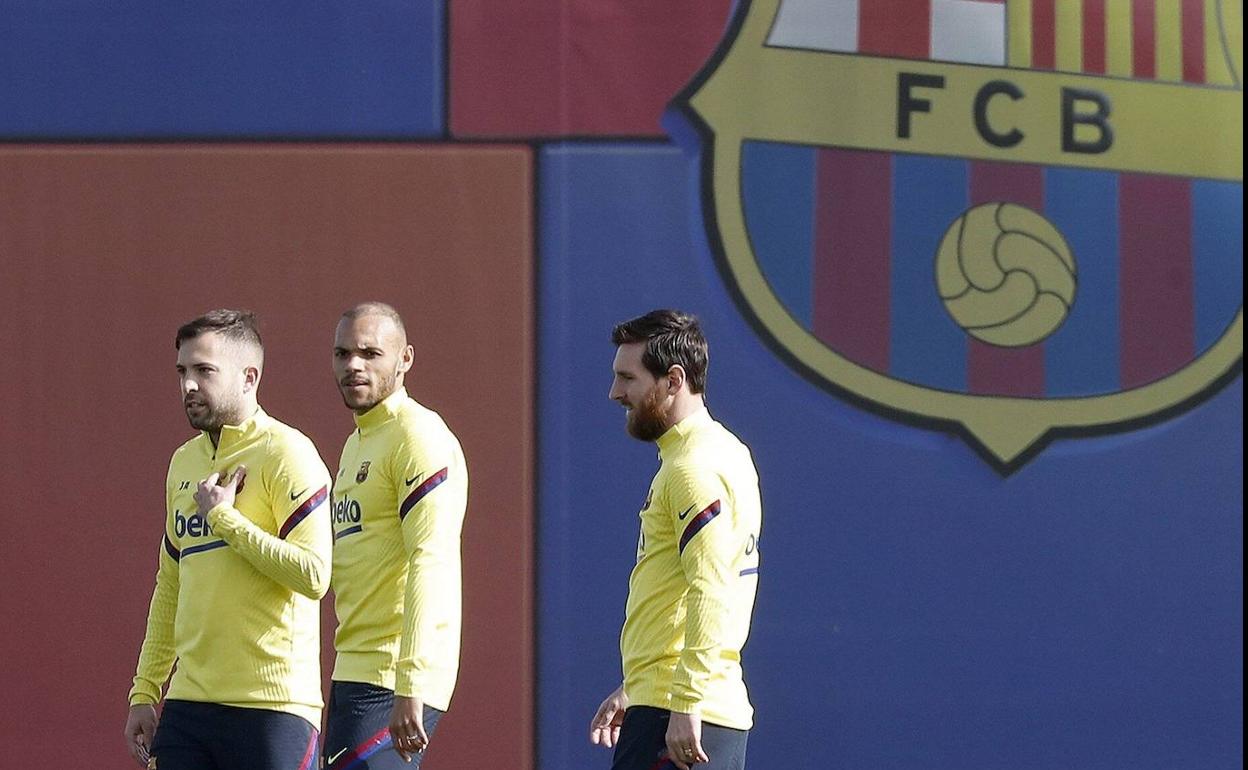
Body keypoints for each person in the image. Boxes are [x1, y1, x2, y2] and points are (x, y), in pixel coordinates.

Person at [123, 309, 333, 769]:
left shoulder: (287, 452)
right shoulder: (183, 462)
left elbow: (315, 575)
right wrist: (145, 689)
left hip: (272, 708)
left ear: (248, 378)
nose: (188, 385)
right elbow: (170, 584)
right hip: (188, 705)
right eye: (182, 371)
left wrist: (225, 520)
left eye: (205, 371)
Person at [589, 310, 762, 770]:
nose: (615, 393)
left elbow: (712, 587)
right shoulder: (721, 451)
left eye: (628, 378)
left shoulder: (692, 468)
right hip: (676, 701)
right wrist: (638, 686)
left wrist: (685, 700)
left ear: (673, 380)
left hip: (681, 713)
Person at [322, 302, 468, 768]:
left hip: (393, 675)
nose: (353, 365)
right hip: (354, 666)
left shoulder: (418, 436)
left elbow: (431, 559)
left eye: (370, 353)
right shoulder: (358, 441)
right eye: (343, 354)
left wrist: (412, 682)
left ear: (405, 359)